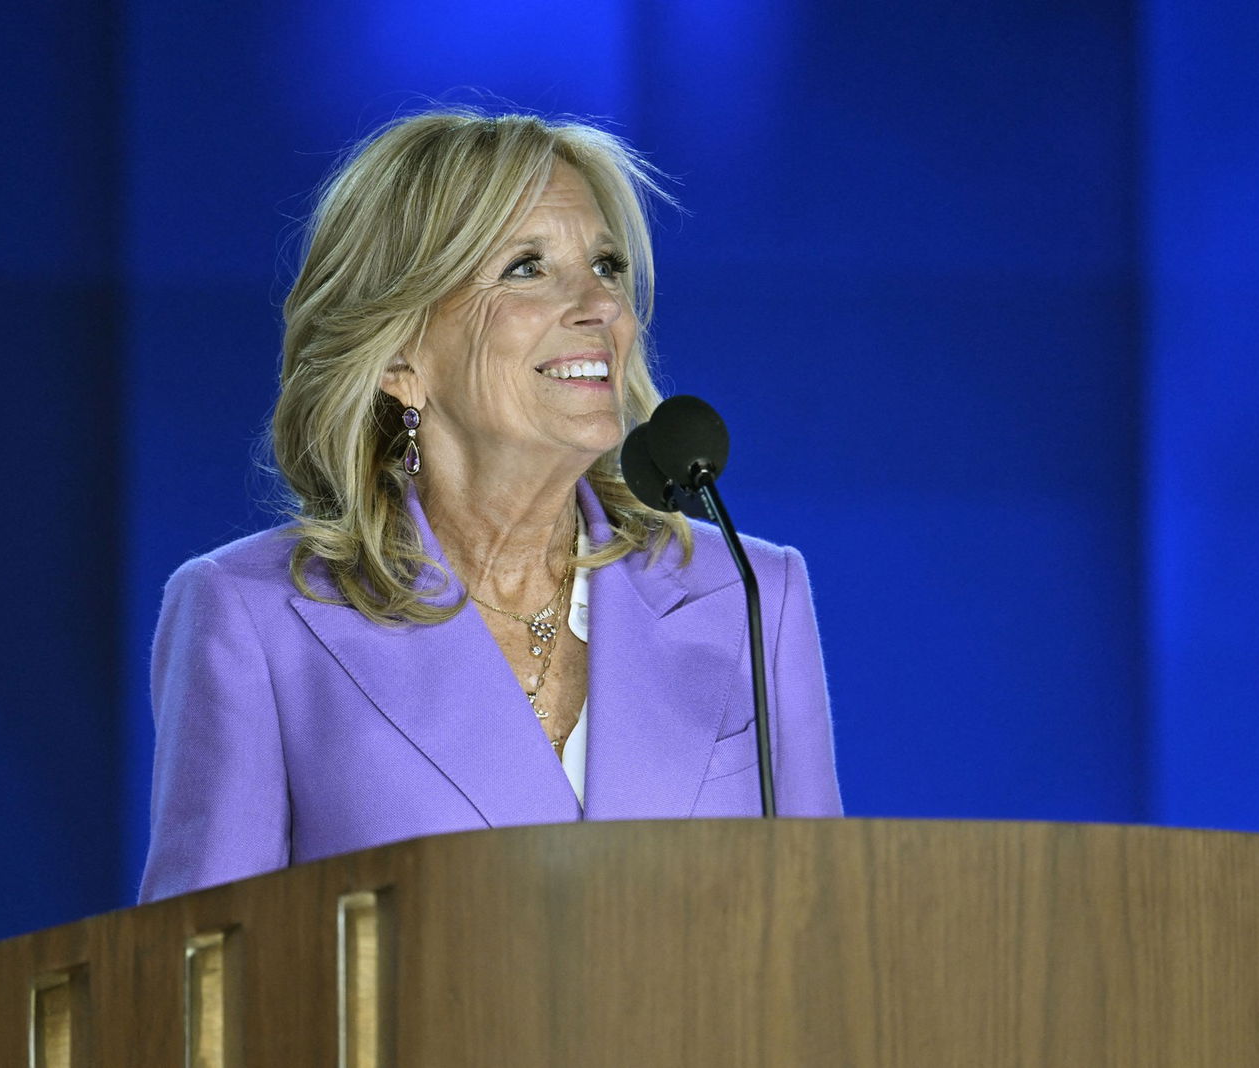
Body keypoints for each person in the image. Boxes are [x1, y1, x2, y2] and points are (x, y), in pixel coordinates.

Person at [138, 111, 842, 903]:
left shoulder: (748, 594)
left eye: (607, 265)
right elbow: (197, 979)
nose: (599, 307)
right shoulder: (255, 618)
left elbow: (820, 946)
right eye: (525, 268)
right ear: (400, 353)